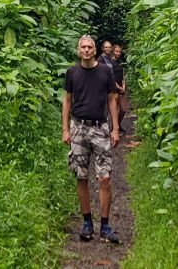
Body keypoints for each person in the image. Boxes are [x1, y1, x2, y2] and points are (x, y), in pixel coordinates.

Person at [62, 33, 121, 244]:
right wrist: (65, 129)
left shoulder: (105, 71)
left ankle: (105, 226)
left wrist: (115, 129)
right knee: (81, 176)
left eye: (89, 47)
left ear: (95, 50)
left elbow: (112, 99)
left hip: (100, 127)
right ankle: (87, 223)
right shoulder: (72, 72)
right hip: (78, 127)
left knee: (104, 177)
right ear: (78, 50)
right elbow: (67, 101)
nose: (86, 50)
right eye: (83, 47)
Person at [111, 43, 128, 117]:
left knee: (123, 110)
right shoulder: (110, 62)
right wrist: (118, 87)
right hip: (114, 89)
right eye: (116, 51)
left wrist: (123, 87)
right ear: (113, 51)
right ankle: (114, 124)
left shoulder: (120, 62)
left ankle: (117, 123)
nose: (118, 53)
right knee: (114, 110)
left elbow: (123, 75)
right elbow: (110, 77)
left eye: (120, 52)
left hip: (121, 89)